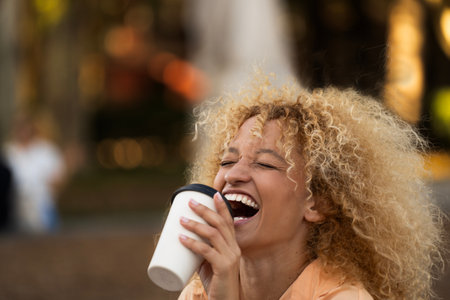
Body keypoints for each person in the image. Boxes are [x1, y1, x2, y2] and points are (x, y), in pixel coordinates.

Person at [175, 74, 444, 299]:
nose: (234, 174)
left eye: (265, 164)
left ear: (317, 202)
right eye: (228, 160)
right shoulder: (201, 291)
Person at [4, 111, 65, 233]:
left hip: (42, 207)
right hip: (15, 208)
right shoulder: (8, 152)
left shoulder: (47, 150)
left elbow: (58, 178)